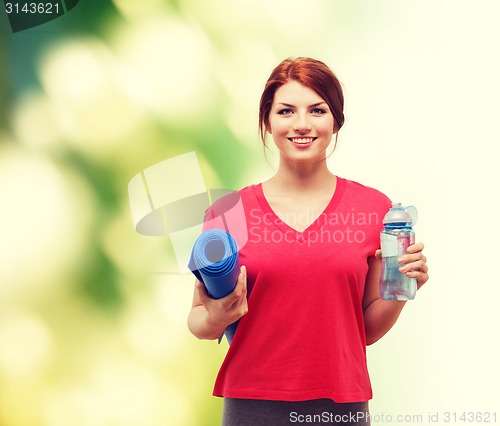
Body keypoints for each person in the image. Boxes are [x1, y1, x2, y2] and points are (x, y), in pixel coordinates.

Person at [187, 57, 429, 426]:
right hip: (252, 405)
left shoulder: (373, 209)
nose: (302, 125)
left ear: (336, 120)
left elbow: (363, 331)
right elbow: (199, 321)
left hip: (340, 407)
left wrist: (401, 288)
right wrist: (217, 317)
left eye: (317, 110)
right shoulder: (228, 212)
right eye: (286, 111)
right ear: (267, 122)